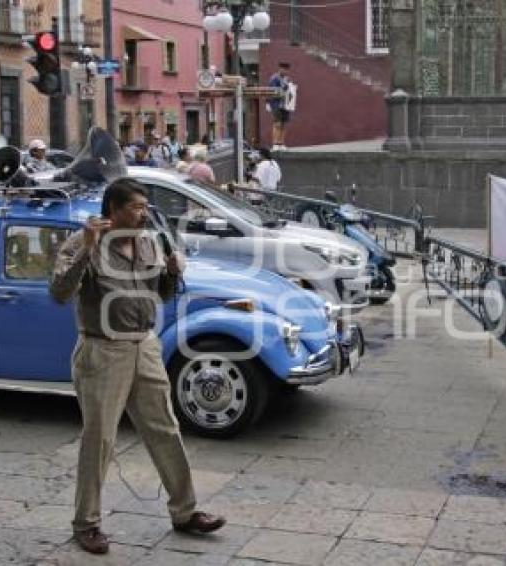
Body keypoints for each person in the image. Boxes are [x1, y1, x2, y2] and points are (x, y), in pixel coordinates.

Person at [49, 178, 226, 555]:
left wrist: (173, 272)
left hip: (144, 345)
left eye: (145, 207)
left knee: (166, 428)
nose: (144, 214)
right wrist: (87, 250)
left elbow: (158, 294)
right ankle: (87, 523)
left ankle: (185, 510)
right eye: (136, 207)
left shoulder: (148, 242)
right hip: (103, 349)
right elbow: (60, 292)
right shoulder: (83, 242)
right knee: (99, 439)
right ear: (113, 210)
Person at [267, 62, 293, 150]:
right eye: (283, 69)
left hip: (286, 104)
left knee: (283, 124)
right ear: (279, 69)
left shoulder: (288, 79)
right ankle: (275, 143)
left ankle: (281, 143)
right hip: (276, 104)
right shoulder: (274, 78)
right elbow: (273, 91)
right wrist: (268, 103)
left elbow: (291, 90)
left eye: (286, 70)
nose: (285, 71)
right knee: (277, 123)